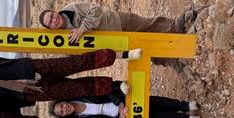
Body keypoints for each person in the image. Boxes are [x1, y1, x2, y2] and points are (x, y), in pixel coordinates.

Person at [0, 19, 139, 108]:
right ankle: (115, 86)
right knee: (76, 89)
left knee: (77, 62)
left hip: (35, 68)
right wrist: (30, 99)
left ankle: (122, 55)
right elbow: (11, 107)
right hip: (36, 92)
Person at [38, 3, 198, 71]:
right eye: (50, 22)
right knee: (144, 50)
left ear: (54, 12)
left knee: (148, 25)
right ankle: (171, 61)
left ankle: (178, 25)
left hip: (116, 21)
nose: (54, 19)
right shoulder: (63, 41)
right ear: (51, 28)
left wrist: (82, 29)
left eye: (51, 15)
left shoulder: (70, 9)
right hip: (116, 44)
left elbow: (96, 9)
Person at [50, 84, 202, 118]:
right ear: (64, 116)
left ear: (63, 101)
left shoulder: (81, 93)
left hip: (122, 100)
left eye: (62, 105)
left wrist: (119, 103)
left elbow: (105, 90)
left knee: (156, 102)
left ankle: (186, 105)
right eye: (62, 112)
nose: (65, 108)